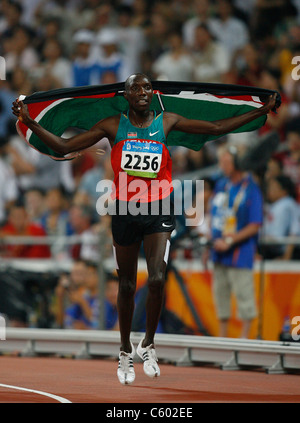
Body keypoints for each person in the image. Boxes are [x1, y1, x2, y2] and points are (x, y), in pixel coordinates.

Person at [12, 73, 277, 385]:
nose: (143, 92)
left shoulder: (167, 121)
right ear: (125, 95)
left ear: (153, 93)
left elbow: (216, 129)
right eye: (136, 88)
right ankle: (124, 351)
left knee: (156, 278)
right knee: (125, 286)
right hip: (125, 209)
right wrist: (30, 121)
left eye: (148, 88)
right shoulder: (113, 125)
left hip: (160, 208)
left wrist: (261, 110)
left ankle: (148, 343)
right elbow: (66, 144)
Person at [210, 144, 263, 338]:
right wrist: (211, 242)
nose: (222, 165)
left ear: (237, 163)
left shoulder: (251, 189)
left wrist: (231, 241)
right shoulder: (221, 185)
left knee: (244, 296)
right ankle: (222, 339)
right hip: (218, 251)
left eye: (226, 161)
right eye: (221, 161)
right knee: (220, 297)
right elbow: (216, 216)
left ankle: (244, 340)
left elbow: (255, 224)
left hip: (240, 253)